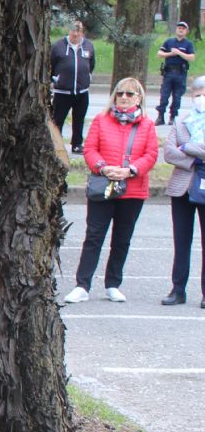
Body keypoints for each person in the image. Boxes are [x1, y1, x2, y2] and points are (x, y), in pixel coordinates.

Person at [63, 76, 159, 304]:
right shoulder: (101, 120)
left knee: (122, 239)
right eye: (120, 93)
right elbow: (90, 149)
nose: (124, 97)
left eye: (129, 94)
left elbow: (151, 154)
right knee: (94, 236)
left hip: (132, 189)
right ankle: (82, 285)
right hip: (103, 186)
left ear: (138, 98)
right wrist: (103, 167)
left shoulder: (147, 124)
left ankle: (113, 284)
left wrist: (130, 170)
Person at [160, 74, 205, 306]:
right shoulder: (181, 121)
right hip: (182, 188)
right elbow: (169, 153)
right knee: (181, 241)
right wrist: (196, 159)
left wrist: (186, 147)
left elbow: (181, 149)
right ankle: (178, 289)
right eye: (198, 95)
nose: (201, 99)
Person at [49, 20, 94, 154]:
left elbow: (91, 65)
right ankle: (56, 145)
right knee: (58, 120)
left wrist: (87, 78)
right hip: (62, 92)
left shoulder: (88, 46)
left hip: (82, 92)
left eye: (79, 31)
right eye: (73, 30)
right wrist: (54, 80)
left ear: (82, 32)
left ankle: (77, 144)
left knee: (79, 119)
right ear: (68, 31)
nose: (76, 34)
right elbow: (50, 64)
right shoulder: (58, 46)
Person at [156, 20, 196, 126]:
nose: (180, 30)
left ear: (186, 31)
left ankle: (173, 117)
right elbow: (159, 54)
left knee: (177, 97)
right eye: (179, 28)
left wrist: (179, 52)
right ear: (176, 29)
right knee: (164, 96)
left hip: (180, 74)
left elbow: (192, 57)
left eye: (183, 28)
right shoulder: (169, 42)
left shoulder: (188, 44)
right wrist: (170, 53)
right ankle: (160, 117)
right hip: (168, 73)